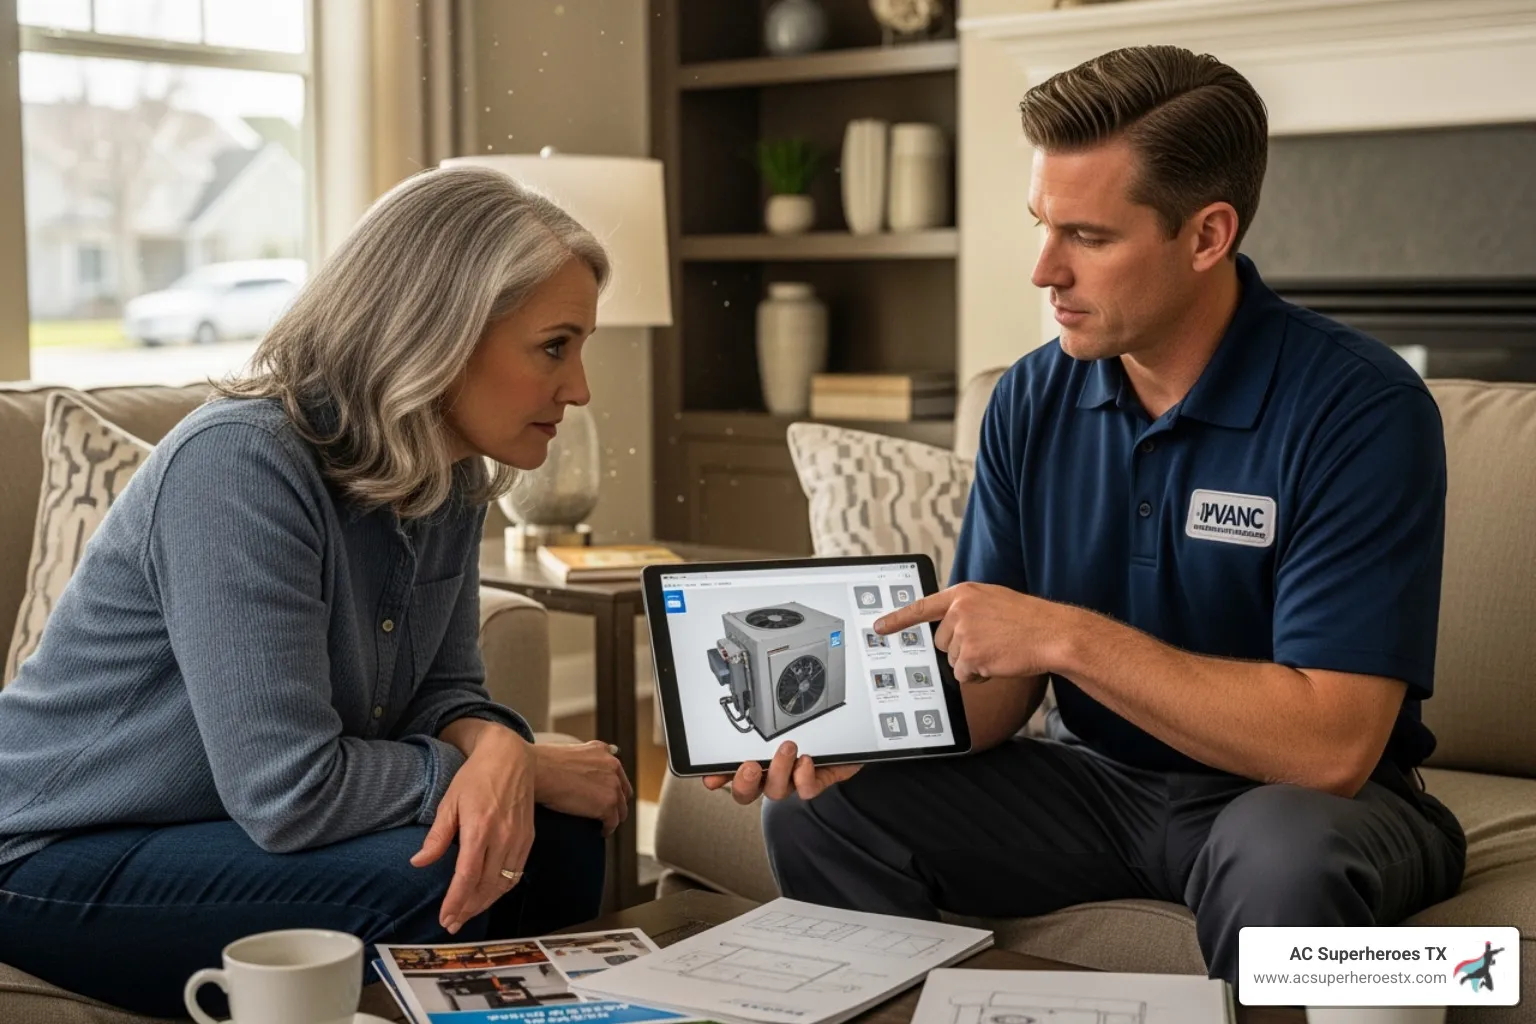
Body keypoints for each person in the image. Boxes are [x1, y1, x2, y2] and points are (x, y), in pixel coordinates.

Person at [706, 46, 1467, 988]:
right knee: (817, 807)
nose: (1044, 270)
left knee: (1282, 856)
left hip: (1306, 805)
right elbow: (994, 693)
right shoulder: (1030, 399)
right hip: (1094, 788)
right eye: (1042, 225)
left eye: (1089, 237)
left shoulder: (1361, 409)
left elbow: (1331, 748)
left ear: (1207, 234)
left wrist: (1067, 638)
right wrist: (853, 736)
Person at [0, 166, 632, 1016]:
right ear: (440, 330)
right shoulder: (240, 466)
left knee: (557, 837)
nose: (579, 387)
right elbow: (288, 791)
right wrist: (517, 764)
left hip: (215, 826)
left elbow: (445, 693)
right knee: (441, 872)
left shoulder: (452, 473)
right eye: (555, 346)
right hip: (47, 850)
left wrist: (500, 749)